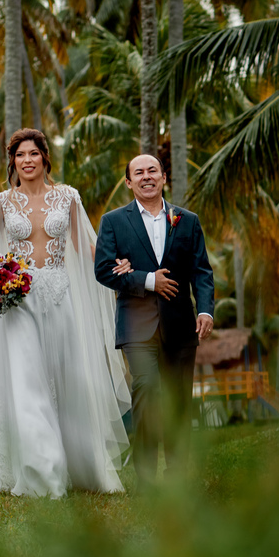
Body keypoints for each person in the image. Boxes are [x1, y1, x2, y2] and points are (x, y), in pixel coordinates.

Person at [0, 129, 132, 497]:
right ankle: (43, 470)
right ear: (13, 162)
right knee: (28, 383)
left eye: (33, 154)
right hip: (19, 299)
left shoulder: (68, 196)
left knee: (69, 378)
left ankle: (82, 466)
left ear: (44, 158)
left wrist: (113, 263)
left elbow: (85, 245)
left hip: (61, 294)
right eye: (20, 155)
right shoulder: (0, 204)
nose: (26, 161)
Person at [93, 154, 215, 487]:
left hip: (180, 324)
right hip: (137, 325)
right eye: (138, 173)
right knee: (145, 390)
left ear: (163, 177)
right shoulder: (114, 222)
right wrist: (147, 280)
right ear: (129, 182)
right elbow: (104, 269)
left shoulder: (186, 220)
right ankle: (145, 476)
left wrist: (205, 310)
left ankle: (177, 473)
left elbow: (201, 270)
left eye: (152, 171)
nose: (146, 177)